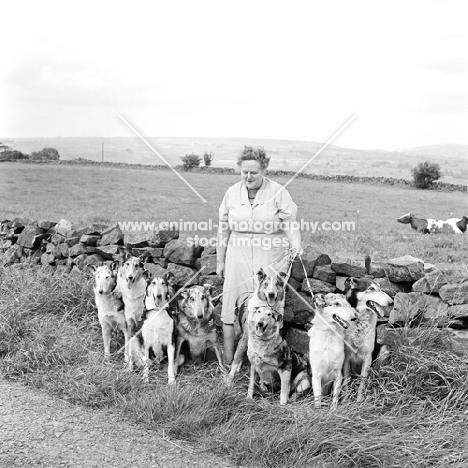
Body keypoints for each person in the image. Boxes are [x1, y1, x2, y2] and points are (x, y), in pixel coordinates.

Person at [216, 146, 302, 364]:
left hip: (270, 255)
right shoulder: (231, 193)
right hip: (238, 254)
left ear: (264, 170)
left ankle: (268, 362)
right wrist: (220, 260)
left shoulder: (279, 192)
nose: (248, 176)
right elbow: (223, 227)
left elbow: (290, 223)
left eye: (254, 172)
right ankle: (229, 362)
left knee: (268, 307)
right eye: (244, 171)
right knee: (232, 304)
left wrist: (297, 245)